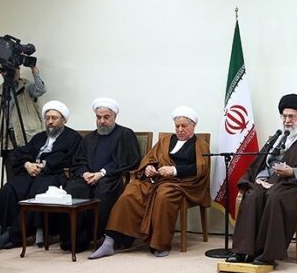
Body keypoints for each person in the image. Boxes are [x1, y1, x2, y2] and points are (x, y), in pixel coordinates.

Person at [88, 106, 210, 259]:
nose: (180, 130)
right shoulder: (165, 140)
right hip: (157, 180)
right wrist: (148, 168)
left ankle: (159, 244)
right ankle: (110, 241)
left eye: (184, 126)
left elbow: (200, 168)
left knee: (164, 195)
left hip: (182, 183)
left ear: (193, 125)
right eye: (177, 126)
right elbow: (149, 158)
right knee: (131, 191)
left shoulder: (200, 144)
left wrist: (174, 170)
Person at [229, 94, 297, 265]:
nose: (287, 121)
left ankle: (267, 254)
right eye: (284, 116)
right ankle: (242, 251)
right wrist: (260, 179)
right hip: (267, 181)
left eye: (292, 117)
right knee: (252, 196)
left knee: (275, 197)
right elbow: (261, 163)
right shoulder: (276, 138)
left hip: (290, 185)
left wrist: (292, 171)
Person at [0, 100, 81, 249]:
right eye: (47, 118)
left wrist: (44, 165)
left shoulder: (73, 137)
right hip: (32, 173)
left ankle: (14, 235)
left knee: (37, 194)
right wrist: (27, 164)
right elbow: (23, 153)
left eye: (54, 118)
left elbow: (69, 159)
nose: (50, 122)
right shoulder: (39, 137)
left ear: (63, 120)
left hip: (54, 174)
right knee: (9, 188)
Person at [60, 98, 142, 253]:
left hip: (111, 177)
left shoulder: (125, 134)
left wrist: (102, 173)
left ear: (115, 117)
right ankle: (77, 239)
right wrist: (85, 173)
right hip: (88, 177)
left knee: (104, 190)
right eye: (99, 117)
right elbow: (79, 160)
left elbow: (127, 160)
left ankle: (103, 236)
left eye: (106, 117)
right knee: (73, 189)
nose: (102, 121)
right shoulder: (89, 138)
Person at [0, 64, 47, 181]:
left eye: (14, 70)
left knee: (32, 173)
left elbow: (40, 89)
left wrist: (34, 69)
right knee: (12, 174)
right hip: (8, 139)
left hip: (28, 136)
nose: (10, 73)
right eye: (4, 71)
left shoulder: (26, 86)